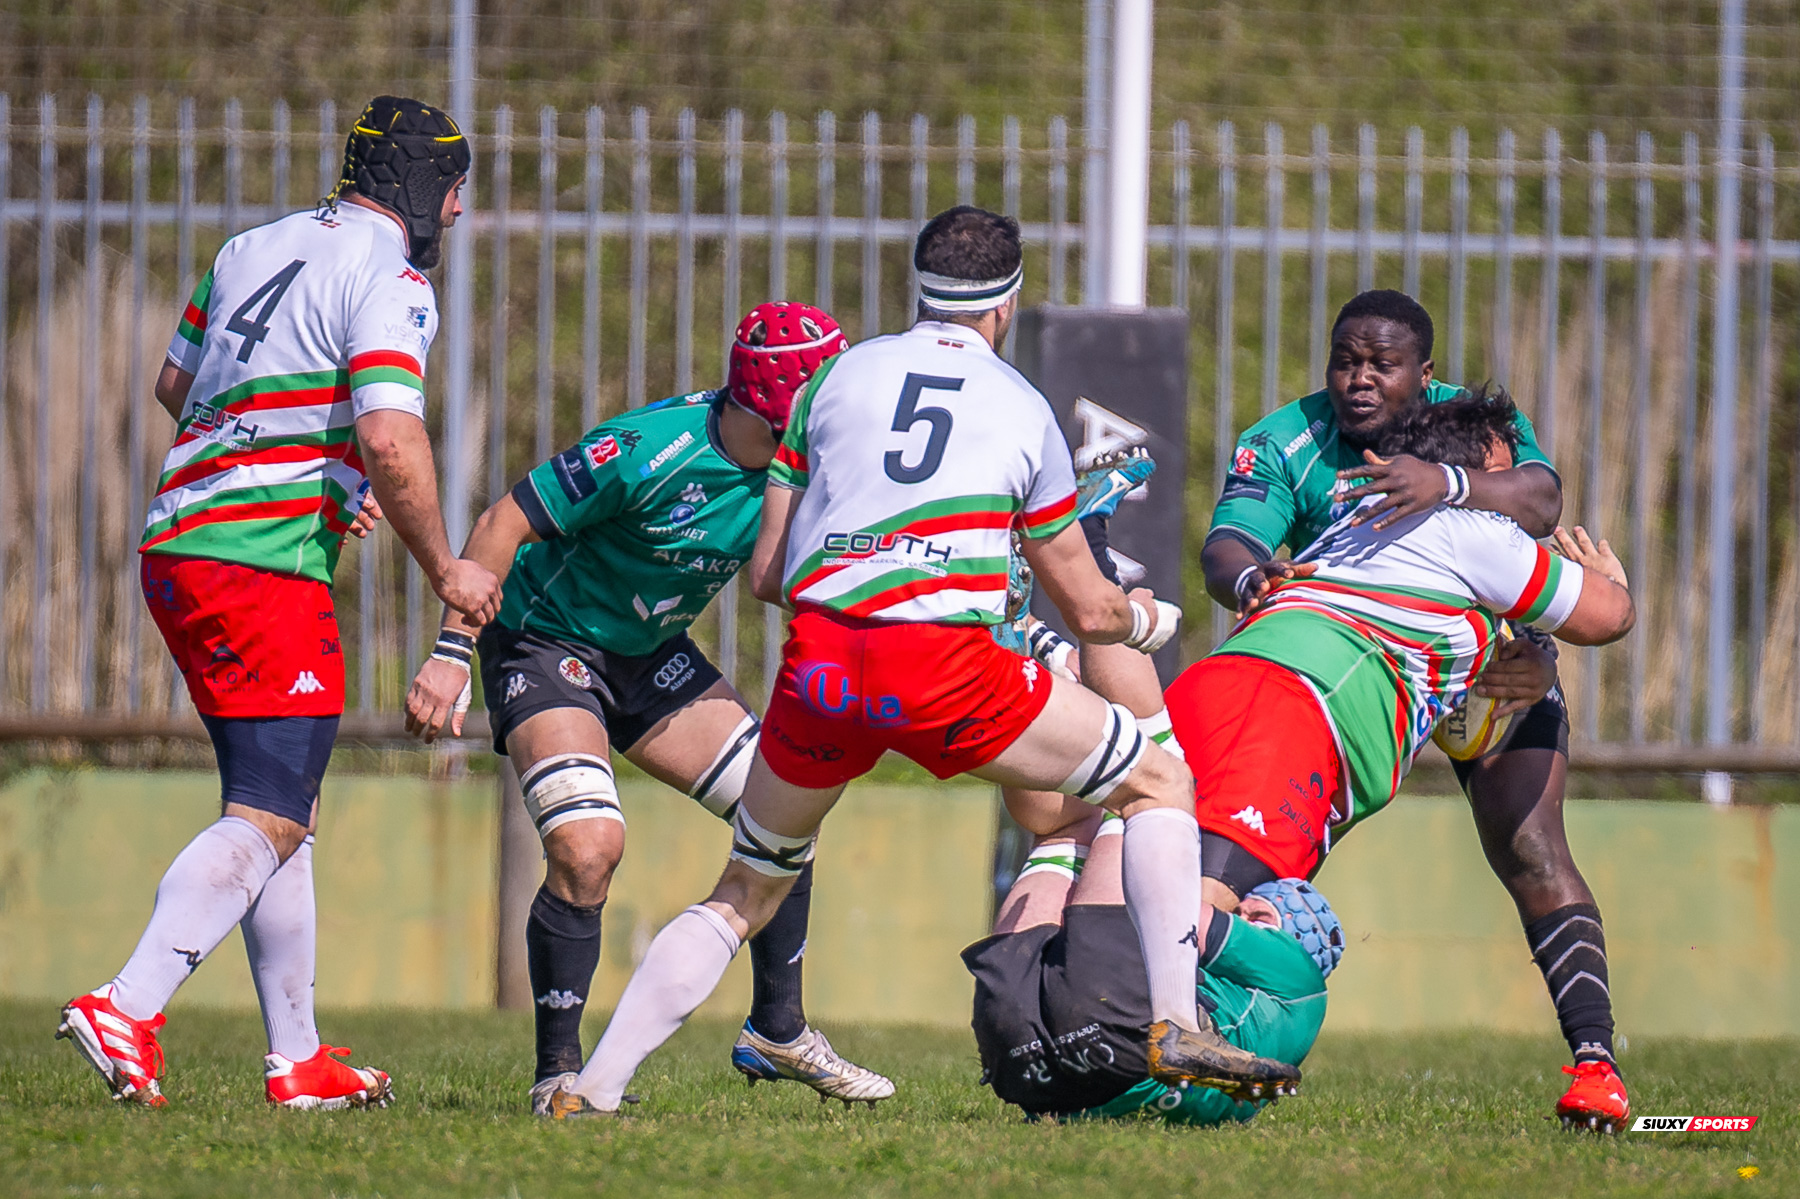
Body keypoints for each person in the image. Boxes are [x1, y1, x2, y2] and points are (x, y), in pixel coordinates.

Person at [544, 205, 1299, 1118]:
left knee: (747, 883)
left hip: (821, 667)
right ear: (1006, 303)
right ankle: (1176, 1020)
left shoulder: (833, 382)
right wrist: (1142, 618)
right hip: (945, 668)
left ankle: (594, 1087)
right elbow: (1088, 606)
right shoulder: (1021, 408)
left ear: (920, 285)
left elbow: (771, 576)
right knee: (1158, 781)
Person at [57, 97, 501, 1110]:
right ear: (418, 186)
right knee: (269, 811)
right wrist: (444, 566)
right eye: (455, 188)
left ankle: (298, 1056)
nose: (463, 211)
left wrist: (300, 464)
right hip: (257, 566)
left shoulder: (248, 245)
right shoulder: (391, 277)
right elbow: (392, 438)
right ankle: (129, 1001)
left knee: (277, 803)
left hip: (182, 541)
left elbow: (180, 383)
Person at [404, 301, 894, 1113]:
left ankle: (778, 1027)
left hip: (652, 656)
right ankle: (558, 1072)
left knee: (782, 806)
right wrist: (451, 655)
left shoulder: (805, 468)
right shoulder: (644, 451)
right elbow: (501, 522)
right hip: (546, 642)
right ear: (784, 404)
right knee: (589, 846)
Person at [1198, 289, 1634, 1132]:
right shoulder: (1284, 438)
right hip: (1359, 669)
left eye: (1381, 364)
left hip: (1489, 665)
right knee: (1263, 845)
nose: (1358, 380)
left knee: (1533, 847)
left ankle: (1595, 1063)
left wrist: (1452, 484)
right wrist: (1254, 579)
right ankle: (1220, 1015)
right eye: (1345, 361)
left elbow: (1540, 497)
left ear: (1424, 377)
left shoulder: (1468, 423)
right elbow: (1229, 545)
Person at [965, 812, 1338, 1126]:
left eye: (1256, 915)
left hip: (1121, 1039)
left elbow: (1169, 906)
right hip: (1031, 1081)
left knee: (1137, 799)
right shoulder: (1266, 1056)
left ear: (1294, 936)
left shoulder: (1297, 969)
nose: (1238, 916)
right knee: (1059, 835)